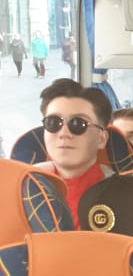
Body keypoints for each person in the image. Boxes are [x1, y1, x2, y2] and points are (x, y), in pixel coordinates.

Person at [34, 78, 113, 226]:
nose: (64, 133)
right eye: (53, 123)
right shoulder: (21, 189)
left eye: (78, 124)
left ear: (101, 139)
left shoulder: (125, 196)